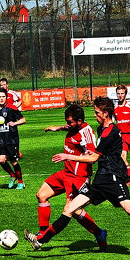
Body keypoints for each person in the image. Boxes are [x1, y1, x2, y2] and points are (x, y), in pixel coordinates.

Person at [26, 96, 130, 255]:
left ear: (106, 113)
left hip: (113, 179)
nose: (95, 115)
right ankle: (40, 241)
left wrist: (69, 156)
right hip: (100, 181)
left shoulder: (111, 131)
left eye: (97, 113)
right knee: (69, 208)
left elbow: (94, 158)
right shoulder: (102, 129)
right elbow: (99, 153)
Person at [36, 103, 107, 246]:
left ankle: (99, 233)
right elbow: (70, 128)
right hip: (65, 173)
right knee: (41, 195)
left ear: (79, 121)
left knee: (73, 210)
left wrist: (78, 154)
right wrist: (59, 127)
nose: (67, 124)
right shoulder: (74, 126)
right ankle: (42, 232)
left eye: (70, 122)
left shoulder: (86, 132)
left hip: (79, 177)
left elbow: (93, 156)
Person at [0, 89, 26, 189]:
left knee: (13, 161)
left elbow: (23, 120)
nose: (1, 99)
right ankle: (12, 175)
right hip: (1, 139)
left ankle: (20, 182)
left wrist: (14, 123)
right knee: (1, 160)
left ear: (6, 97)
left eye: (3, 97)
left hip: (12, 139)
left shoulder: (11, 107)